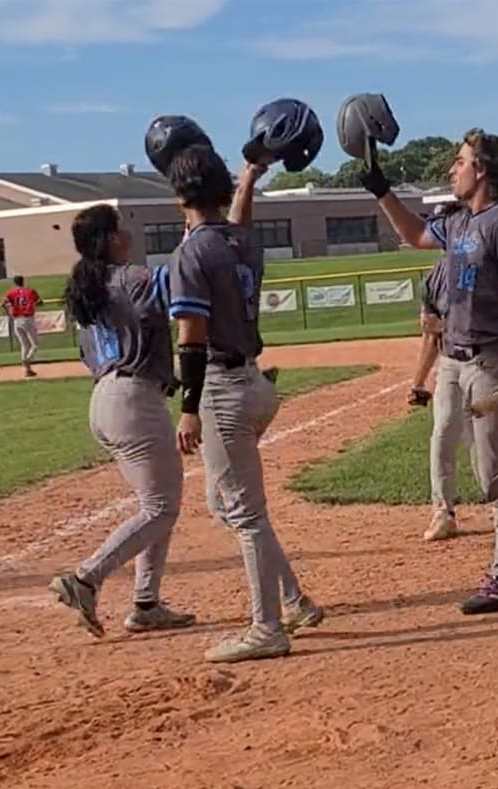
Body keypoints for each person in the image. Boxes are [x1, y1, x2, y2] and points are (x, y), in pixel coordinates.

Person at [362, 127, 498, 613]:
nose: (453, 169)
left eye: (461, 160)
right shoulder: (456, 222)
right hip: (458, 360)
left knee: (496, 476)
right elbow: (413, 235)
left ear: (484, 171)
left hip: (495, 358)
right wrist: (380, 188)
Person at [164, 144, 324, 661]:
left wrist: (188, 407)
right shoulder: (239, 243)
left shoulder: (189, 253)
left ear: (178, 194)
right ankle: (294, 599)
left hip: (219, 388)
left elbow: (190, 336)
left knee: (245, 514)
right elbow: (235, 226)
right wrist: (250, 178)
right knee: (226, 505)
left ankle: (267, 627)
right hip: (255, 384)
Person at [47, 205, 196, 638]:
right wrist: (192, 237)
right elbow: (173, 286)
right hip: (132, 399)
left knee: (158, 505)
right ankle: (85, 579)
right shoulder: (128, 278)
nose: (128, 235)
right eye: (122, 230)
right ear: (111, 239)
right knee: (161, 508)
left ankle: (146, 603)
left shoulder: (88, 288)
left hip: (107, 399)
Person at [406, 221, 468, 541]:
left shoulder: (479, 268)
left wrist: (442, 326)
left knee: (491, 439)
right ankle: (443, 512)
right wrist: (418, 383)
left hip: (486, 361)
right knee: (443, 431)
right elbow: (430, 333)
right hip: (449, 363)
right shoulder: (433, 279)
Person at [1, 275, 42, 377]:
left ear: (14, 283)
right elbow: (40, 302)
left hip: (16, 320)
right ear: (23, 281)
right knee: (35, 344)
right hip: (28, 319)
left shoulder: (10, 292)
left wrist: (9, 312)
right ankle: (26, 361)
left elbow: (3, 303)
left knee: (25, 345)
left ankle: (27, 370)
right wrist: (34, 304)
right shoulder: (30, 291)